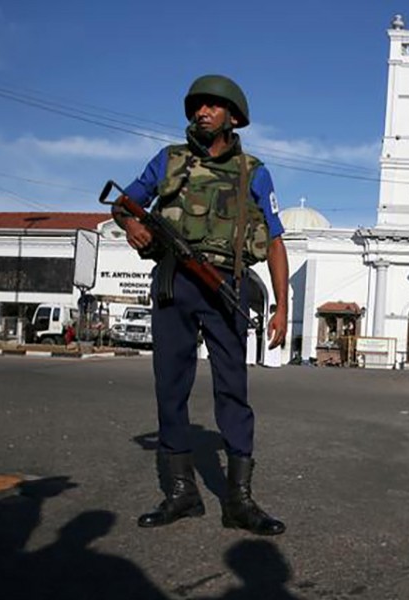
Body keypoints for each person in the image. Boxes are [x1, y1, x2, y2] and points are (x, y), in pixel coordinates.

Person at [111, 75, 289, 535]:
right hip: (174, 282)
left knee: (233, 389)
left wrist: (282, 307)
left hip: (225, 284)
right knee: (171, 385)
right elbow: (125, 203)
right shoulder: (169, 160)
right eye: (196, 107)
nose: (201, 113)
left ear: (233, 117)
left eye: (212, 107)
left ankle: (239, 500)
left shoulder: (254, 170)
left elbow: (273, 240)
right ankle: (180, 494)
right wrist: (132, 227)